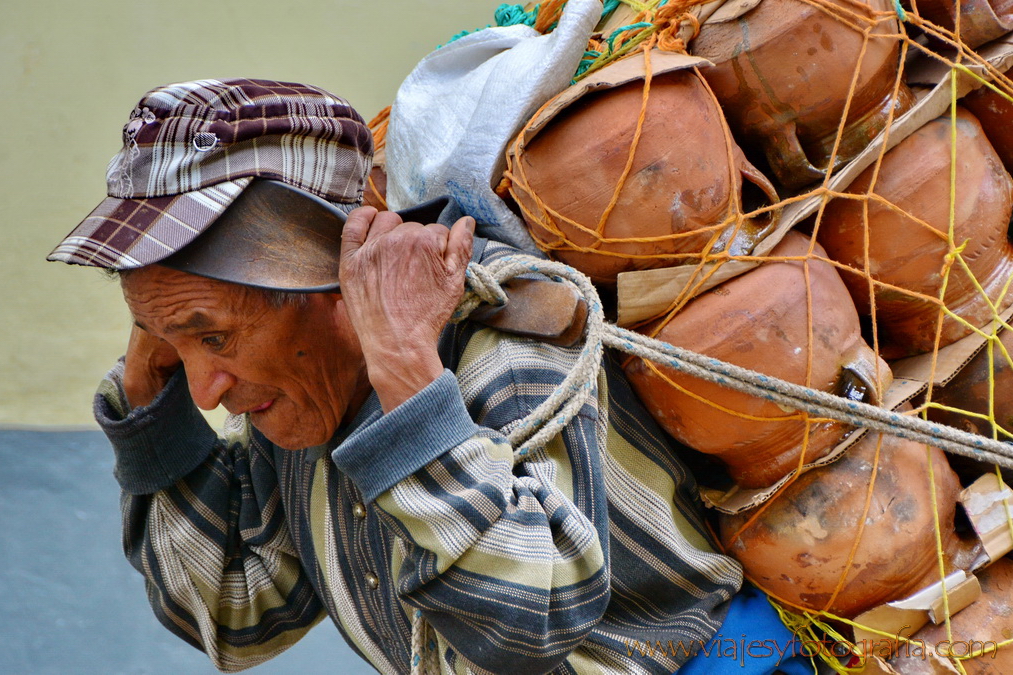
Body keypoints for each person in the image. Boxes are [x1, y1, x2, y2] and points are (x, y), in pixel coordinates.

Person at [48, 78, 812, 674]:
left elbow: (521, 629)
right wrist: (151, 384)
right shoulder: (298, 399)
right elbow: (234, 614)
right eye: (173, 339)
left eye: (213, 334)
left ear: (334, 279)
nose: (207, 389)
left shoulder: (505, 355)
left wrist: (409, 386)